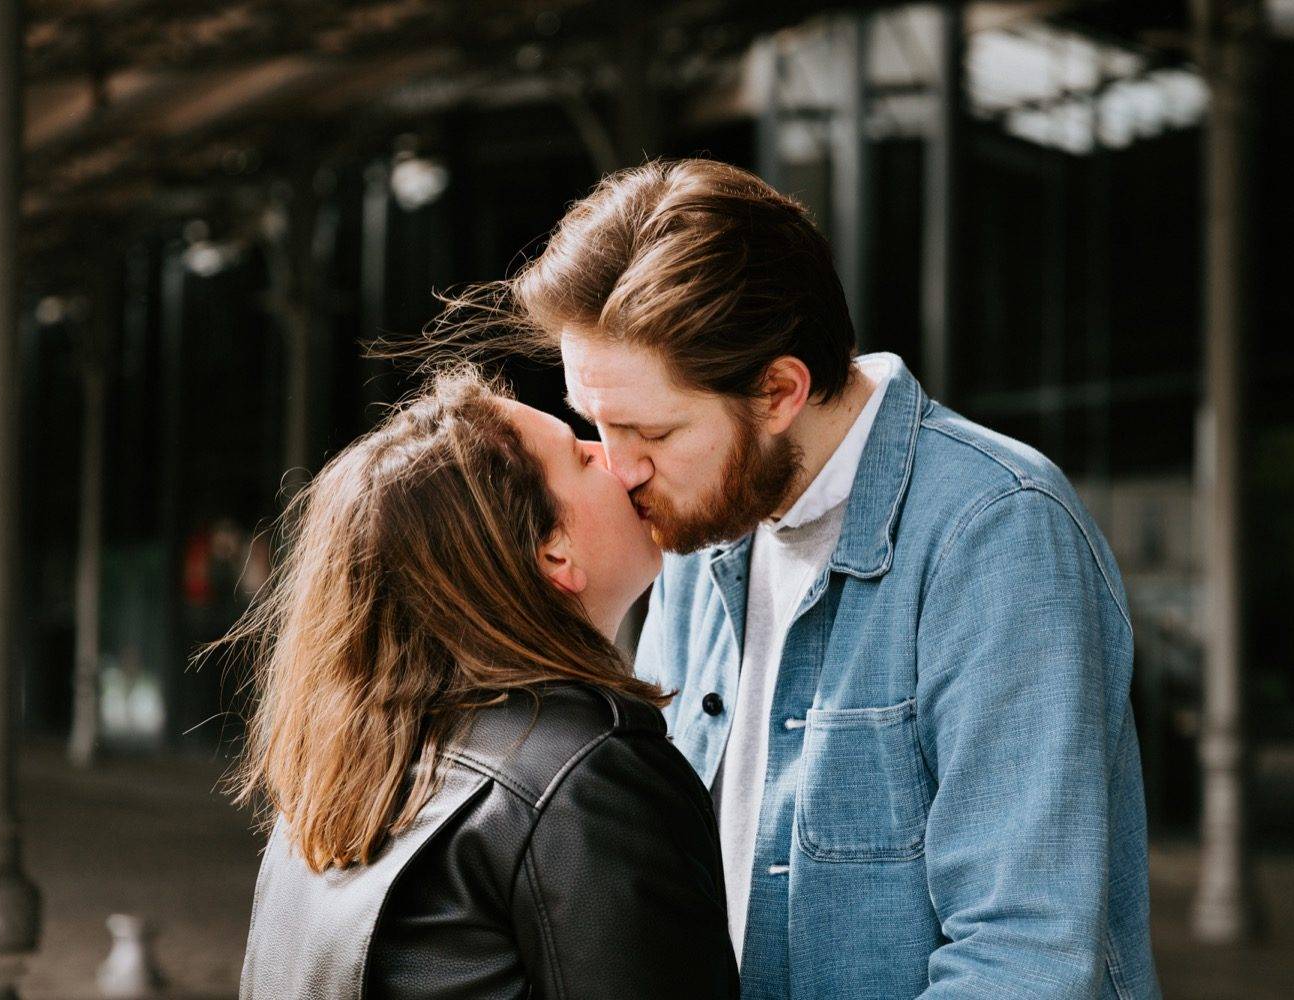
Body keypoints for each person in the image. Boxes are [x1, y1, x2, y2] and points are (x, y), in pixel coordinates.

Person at [436, 158, 1162, 999]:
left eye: (653, 432)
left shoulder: (994, 529)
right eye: (594, 421)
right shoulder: (693, 526)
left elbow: (1024, 955)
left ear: (780, 390)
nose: (621, 467)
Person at [219, 365, 738, 999]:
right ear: (554, 554)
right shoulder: (592, 779)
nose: (621, 461)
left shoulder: (334, 786)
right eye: (581, 454)